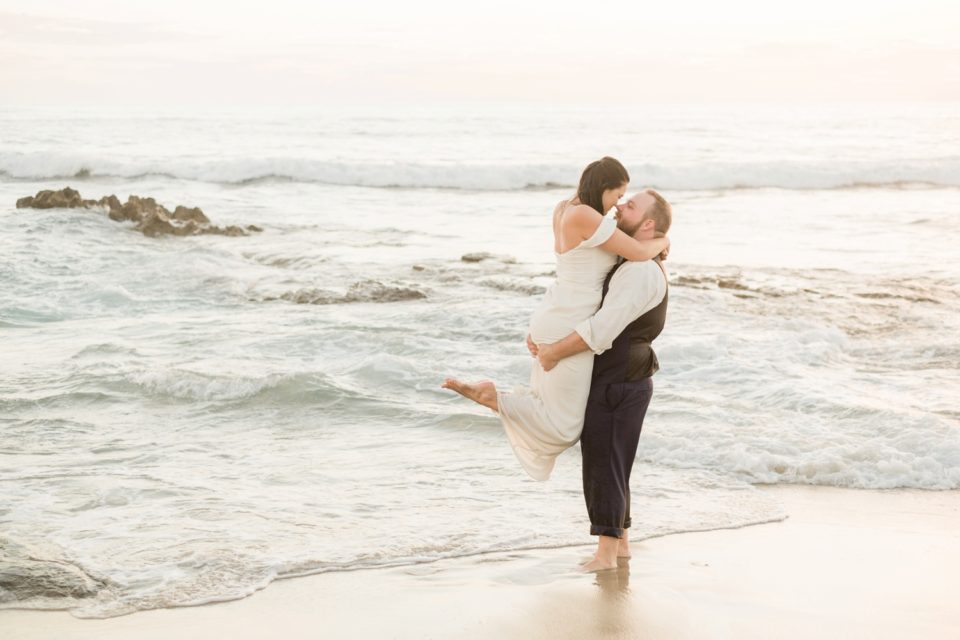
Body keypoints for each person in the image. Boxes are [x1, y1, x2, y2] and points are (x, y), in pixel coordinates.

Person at [442, 158, 669, 480]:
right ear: (604, 188)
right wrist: (664, 240)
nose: (616, 206)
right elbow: (637, 251)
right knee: (564, 427)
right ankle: (492, 397)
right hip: (570, 322)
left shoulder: (564, 208)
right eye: (617, 196)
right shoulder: (587, 215)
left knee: (547, 403)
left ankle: (496, 398)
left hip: (555, 312)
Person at [535, 189, 672, 571]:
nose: (618, 208)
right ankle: (621, 545)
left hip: (620, 381)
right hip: (623, 377)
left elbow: (601, 329)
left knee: (603, 464)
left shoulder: (641, 271)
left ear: (646, 224)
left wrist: (554, 352)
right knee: (613, 463)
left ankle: (606, 555)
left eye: (629, 206)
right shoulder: (634, 258)